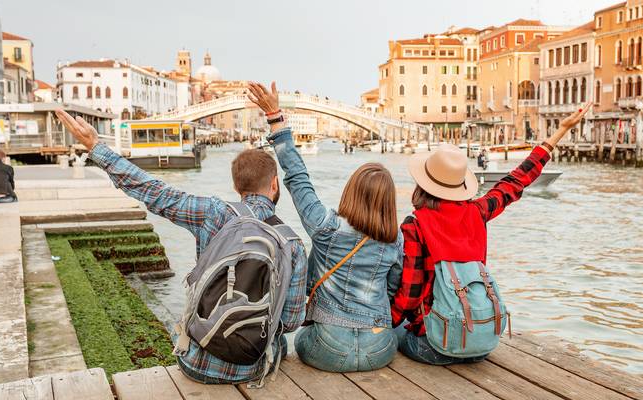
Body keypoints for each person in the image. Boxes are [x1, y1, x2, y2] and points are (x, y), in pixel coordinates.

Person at [53, 109, 308, 385]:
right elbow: (292, 321)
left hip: (195, 361)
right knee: (280, 340)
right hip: (251, 368)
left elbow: (156, 193)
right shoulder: (291, 243)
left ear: (237, 187)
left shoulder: (213, 213)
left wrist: (96, 148)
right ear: (274, 184)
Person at [390, 102, 594, 366]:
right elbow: (516, 180)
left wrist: (382, 322)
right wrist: (560, 132)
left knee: (392, 332)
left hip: (435, 345)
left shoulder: (415, 225)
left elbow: (409, 295)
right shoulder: (478, 212)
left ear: (423, 184)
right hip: (481, 343)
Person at [248, 82, 403, 372]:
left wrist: (275, 118)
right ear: (388, 202)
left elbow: (297, 177)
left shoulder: (324, 226)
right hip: (380, 348)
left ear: (351, 191)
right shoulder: (395, 238)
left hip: (328, 348)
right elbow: (393, 288)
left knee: (300, 338)